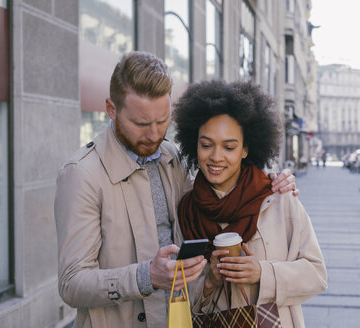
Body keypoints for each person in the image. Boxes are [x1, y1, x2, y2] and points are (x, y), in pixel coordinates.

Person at [54, 51, 298, 328]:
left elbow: (218, 192)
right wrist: (146, 277)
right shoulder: (81, 174)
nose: (155, 134)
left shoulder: (172, 157)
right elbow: (71, 283)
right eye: (141, 124)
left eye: (163, 121)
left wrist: (270, 182)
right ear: (111, 109)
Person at [173, 80, 327, 328]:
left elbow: (317, 275)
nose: (216, 157)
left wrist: (263, 274)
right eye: (206, 145)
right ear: (195, 144)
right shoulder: (186, 210)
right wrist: (209, 282)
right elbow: (176, 294)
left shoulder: (279, 199)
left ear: (245, 149)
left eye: (229, 147)